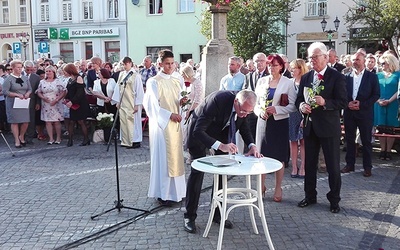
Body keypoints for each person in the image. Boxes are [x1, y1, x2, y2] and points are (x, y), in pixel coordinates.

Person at [184, 89, 262, 234]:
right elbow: (198, 130)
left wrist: (252, 145)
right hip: (198, 132)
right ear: (236, 102)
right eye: (243, 111)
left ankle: (217, 214)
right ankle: (189, 217)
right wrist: (221, 146)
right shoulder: (218, 100)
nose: (244, 115)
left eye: (248, 113)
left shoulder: (244, 106)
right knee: (197, 174)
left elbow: (244, 127)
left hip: (220, 134)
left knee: (222, 174)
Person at [295, 42, 347, 213]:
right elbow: (297, 100)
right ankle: (310, 195)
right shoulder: (306, 77)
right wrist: (302, 106)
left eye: (315, 57)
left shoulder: (336, 76)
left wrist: (326, 103)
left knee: (332, 166)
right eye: (310, 57)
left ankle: (334, 199)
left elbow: (343, 102)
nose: (312, 60)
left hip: (329, 127)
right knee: (309, 164)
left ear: (325, 57)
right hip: (310, 126)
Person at [143, 49, 186, 206]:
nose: (170, 66)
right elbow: (152, 105)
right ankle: (164, 193)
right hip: (162, 126)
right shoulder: (154, 81)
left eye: (172, 63)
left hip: (176, 123)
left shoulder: (177, 79)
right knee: (164, 159)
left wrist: (183, 102)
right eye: (167, 64)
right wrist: (169, 115)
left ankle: (179, 192)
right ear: (160, 64)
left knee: (177, 157)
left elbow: (180, 96)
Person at [254, 54, 296, 201]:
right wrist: (260, 112)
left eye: (276, 65)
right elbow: (256, 103)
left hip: (279, 123)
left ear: (281, 67)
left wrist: (277, 109)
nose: (272, 68)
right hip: (263, 122)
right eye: (270, 65)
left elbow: (292, 106)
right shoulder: (261, 81)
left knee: (279, 157)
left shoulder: (288, 83)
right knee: (261, 155)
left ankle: (278, 188)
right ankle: (261, 185)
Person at [340, 52, 380, 177]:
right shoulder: (346, 77)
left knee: (366, 141)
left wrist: (361, 104)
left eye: (357, 59)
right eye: (353, 60)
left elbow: (376, 95)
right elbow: (341, 94)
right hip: (349, 113)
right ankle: (349, 164)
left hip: (365, 113)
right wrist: (348, 104)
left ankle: (367, 167)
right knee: (350, 139)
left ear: (363, 61)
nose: (355, 62)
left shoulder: (372, 77)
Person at [373, 53, 400, 160]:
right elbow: (373, 90)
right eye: (381, 63)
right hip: (378, 103)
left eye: (384, 63)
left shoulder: (397, 75)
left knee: (390, 128)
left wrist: (389, 101)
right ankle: (382, 150)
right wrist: (378, 100)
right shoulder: (377, 75)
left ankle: (388, 151)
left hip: (393, 103)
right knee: (380, 127)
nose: (382, 65)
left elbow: (399, 90)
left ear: (390, 63)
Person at [2, 60, 32, 148]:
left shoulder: (25, 78)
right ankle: (16, 140)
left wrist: (27, 94)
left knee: (25, 121)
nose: (19, 69)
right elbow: (5, 91)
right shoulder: (8, 79)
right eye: (17, 67)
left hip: (23, 102)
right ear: (13, 68)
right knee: (14, 122)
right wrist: (16, 94)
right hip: (13, 102)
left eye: (20, 67)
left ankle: (21, 135)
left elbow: (30, 89)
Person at [116, 56, 144, 149]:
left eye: (126, 64)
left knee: (134, 122)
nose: (124, 66)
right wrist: (117, 101)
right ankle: (125, 140)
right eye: (123, 64)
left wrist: (137, 104)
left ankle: (135, 141)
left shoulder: (136, 75)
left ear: (130, 63)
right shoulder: (122, 74)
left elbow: (139, 90)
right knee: (124, 120)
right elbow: (118, 88)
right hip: (124, 102)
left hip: (133, 102)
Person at [288, 59, 309, 178]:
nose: (291, 70)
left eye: (294, 68)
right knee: (293, 141)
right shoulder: (290, 82)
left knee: (303, 141)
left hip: (303, 114)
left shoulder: (306, 82)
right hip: (292, 114)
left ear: (300, 69)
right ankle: (294, 166)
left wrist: (304, 117)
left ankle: (303, 167)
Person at [36, 66, 67, 144]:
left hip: (56, 102)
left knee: (56, 121)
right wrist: (43, 98)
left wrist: (57, 100)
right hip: (46, 103)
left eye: (50, 71)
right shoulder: (42, 82)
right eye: (47, 71)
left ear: (53, 72)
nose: (48, 73)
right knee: (48, 121)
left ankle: (58, 138)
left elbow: (64, 91)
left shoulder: (58, 81)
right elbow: (38, 91)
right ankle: (51, 138)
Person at [63, 63, 91, 147]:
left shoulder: (78, 78)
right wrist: (66, 98)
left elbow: (80, 93)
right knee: (71, 122)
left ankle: (86, 139)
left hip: (80, 103)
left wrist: (72, 101)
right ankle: (70, 140)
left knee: (81, 121)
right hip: (72, 103)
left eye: (65, 71)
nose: (64, 73)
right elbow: (69, 91)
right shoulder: (70, 79)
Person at [23, 60, 45, 143]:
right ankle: (21, 137)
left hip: (32, 101)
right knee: (22, 120)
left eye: (31, 70)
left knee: (31, 120)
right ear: (24, 68)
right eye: (27, 69)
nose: (29, 71)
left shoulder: (36, 77)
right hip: (20, 100)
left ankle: (30, 138)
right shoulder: (19, 75)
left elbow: (37, 91)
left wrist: (38, 103)